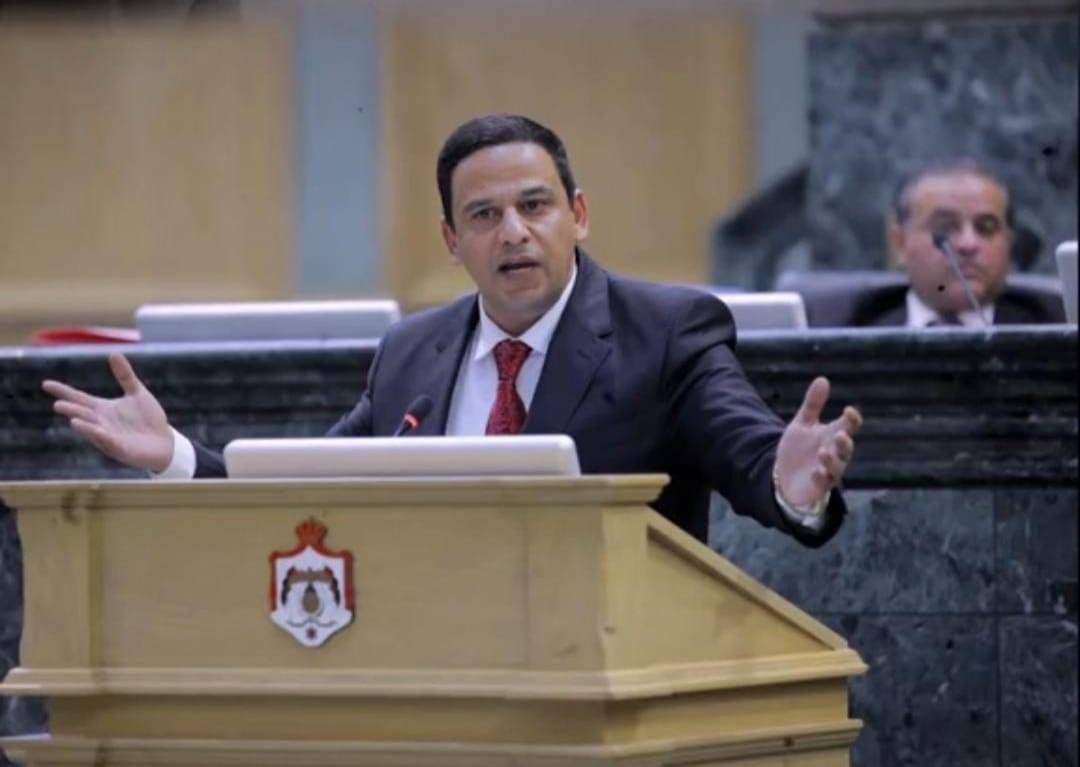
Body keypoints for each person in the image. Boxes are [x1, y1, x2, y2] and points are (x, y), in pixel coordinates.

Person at [43, 114, 862, 547]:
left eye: (535, 206)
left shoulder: (666, 331)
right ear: (451, 239)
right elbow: (305, 486)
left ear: (577, 216)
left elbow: (749, 453)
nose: (514, 233)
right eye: (484, 215)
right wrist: (176, 457)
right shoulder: (412, 351)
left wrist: (792, 483)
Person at [807, 159, 1065, 328]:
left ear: (1009, 243)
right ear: (900, 244)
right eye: (944, 228)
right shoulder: (846, 327)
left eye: (986, 228)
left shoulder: (1057, 327)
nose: (968, 244)